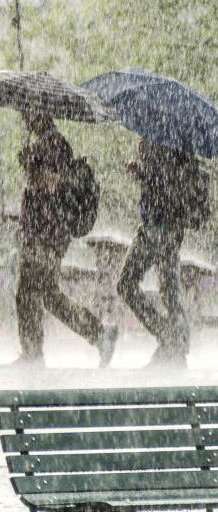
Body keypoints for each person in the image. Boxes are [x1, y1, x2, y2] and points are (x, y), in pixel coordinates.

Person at [4, 112, 116, 368]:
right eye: (23, 114)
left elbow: (52, 184)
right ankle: (100, 335)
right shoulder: (47, 143)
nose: (25, 120)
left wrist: (30, 167)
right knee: (49, 296)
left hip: (46, 234)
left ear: (42, 115)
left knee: (27, 292)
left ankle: (33, 355)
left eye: (28, 114)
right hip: (45, 233)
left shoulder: (54, 143)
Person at [118, 138, 208, 369]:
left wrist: (142, 168)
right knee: (169, 289)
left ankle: (170, 338)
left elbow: (163, 184)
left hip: (158, 229)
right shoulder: (175, 140)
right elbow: (165, 183)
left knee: (127, 284)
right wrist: (142, 169)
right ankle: (176, 344)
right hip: (167, 229)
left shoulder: (163, 139)